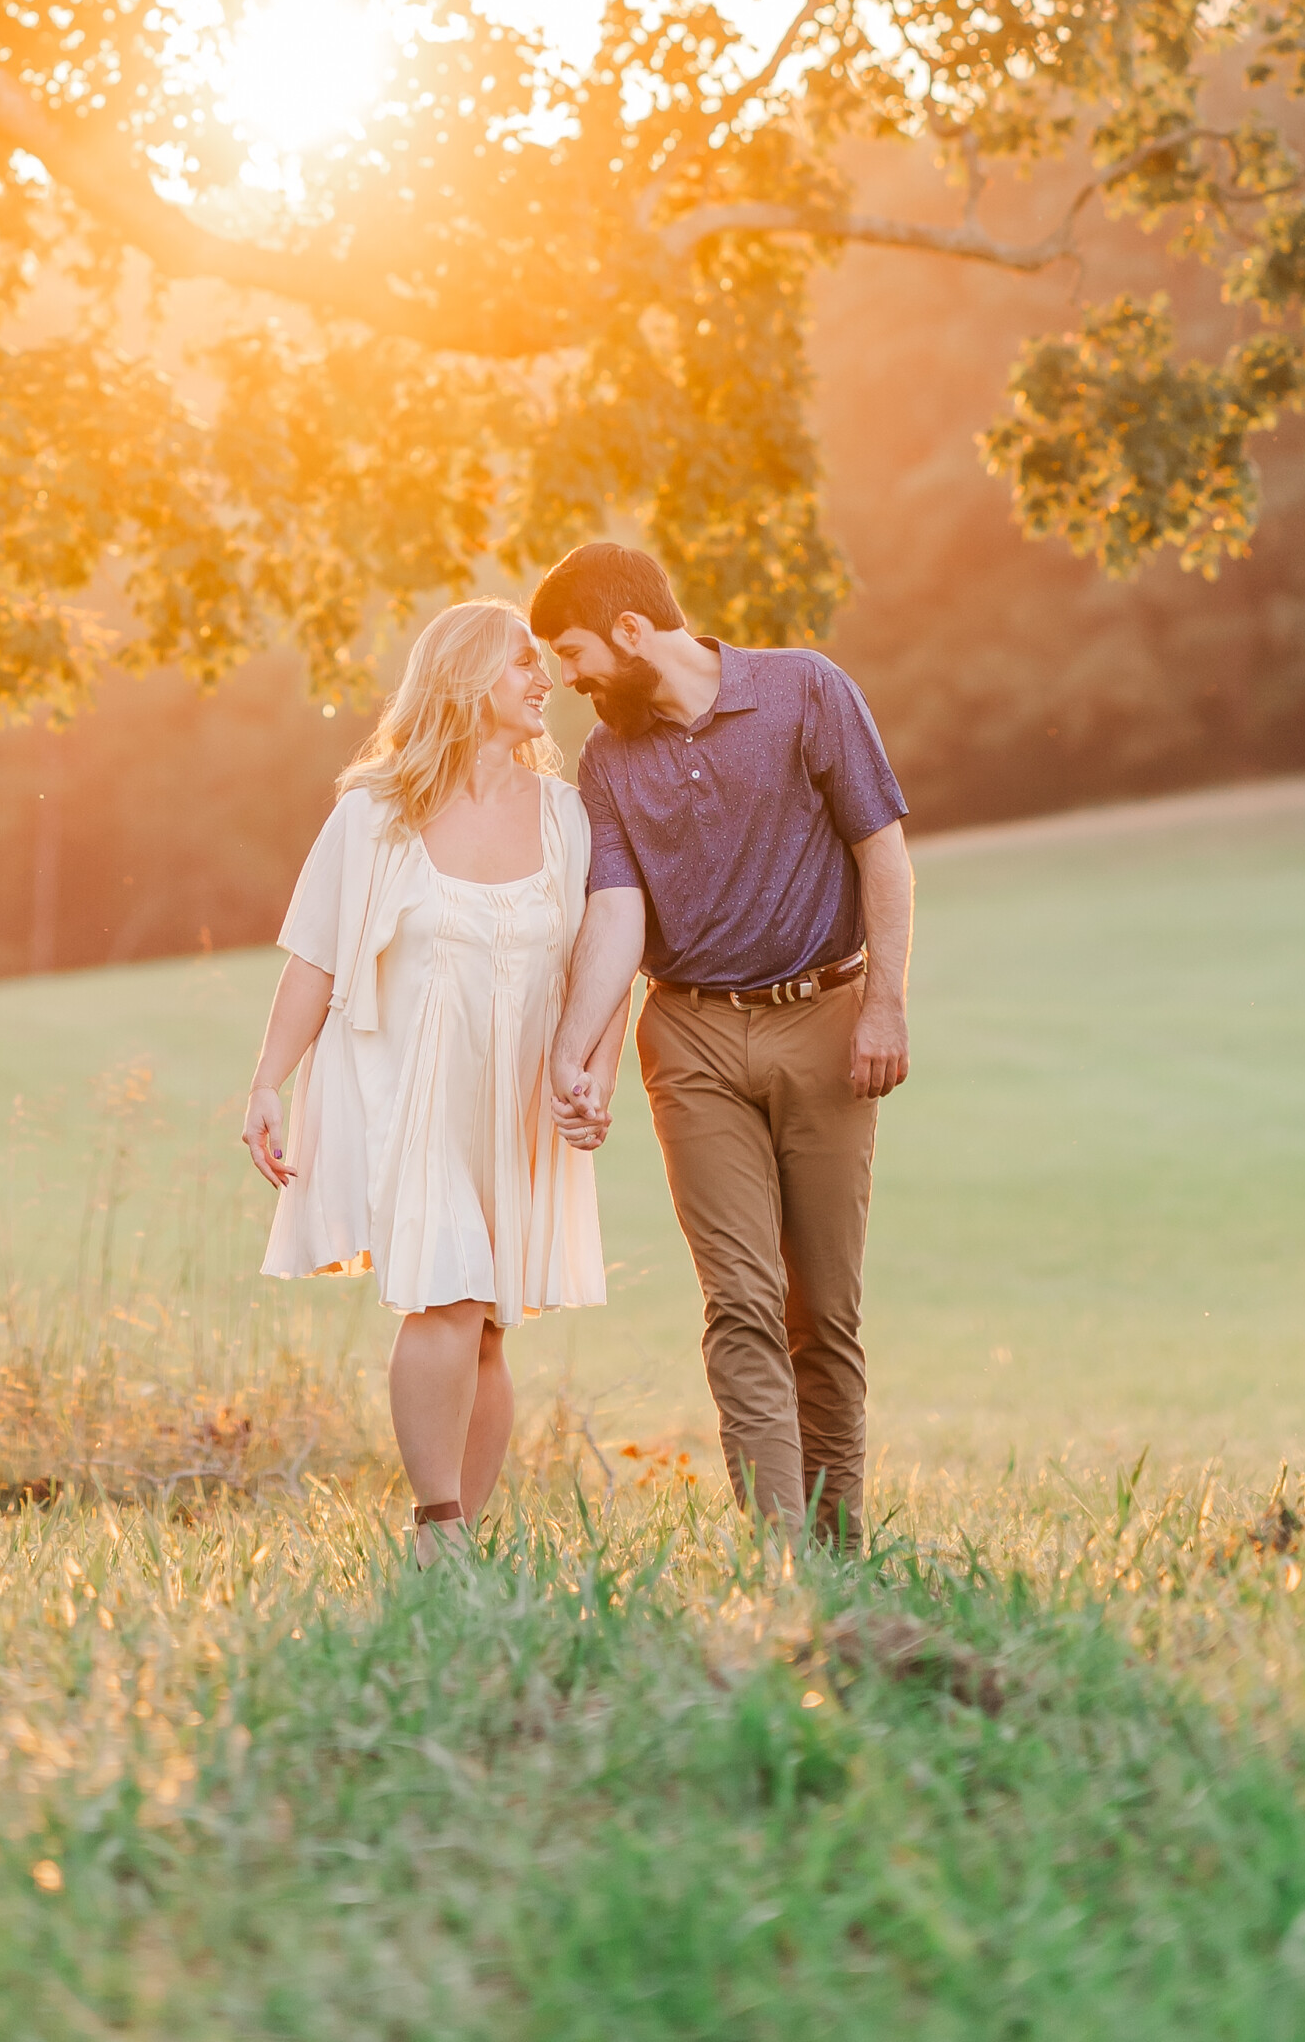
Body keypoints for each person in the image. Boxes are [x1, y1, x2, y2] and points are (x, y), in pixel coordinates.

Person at [531, 544, 912, 1551]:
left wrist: (884, 1004)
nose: (565, 678)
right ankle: (780, 1558)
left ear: (626, 629)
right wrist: (574, 1054)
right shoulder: (607, 761)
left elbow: (883, 851)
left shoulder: (804, 689)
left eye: (571, 652)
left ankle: (839, 1552)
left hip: (824, 1021)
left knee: (822, 1314)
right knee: (740, 1301)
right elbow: (613, 915)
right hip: (690, 1036)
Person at [242, 600, 623, 1564]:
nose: (545, 681)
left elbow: (606, 965)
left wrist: (591, 1077)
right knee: (445, 1299)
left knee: (490, 1323)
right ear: (462, 682)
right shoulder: (375, 813)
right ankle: (437, 1528)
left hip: (517, 1104)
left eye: (543, 665)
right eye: (521, 665)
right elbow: (315, 958)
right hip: (408, 1091)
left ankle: (464, 1540)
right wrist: (267, 1083)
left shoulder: (566, 816)